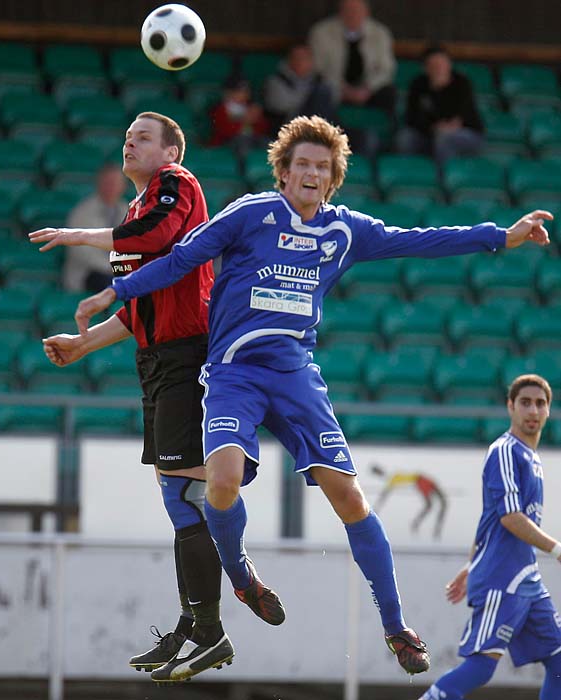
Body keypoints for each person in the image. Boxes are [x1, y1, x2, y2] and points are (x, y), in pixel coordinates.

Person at [69, 115, 550, 676]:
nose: (312, 174)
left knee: (348, 497)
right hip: (233, 372)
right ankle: (241, 577)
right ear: (284, 171)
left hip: (295, 375)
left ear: (333, 175)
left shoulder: (344, 230)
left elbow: (420, 242)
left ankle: (396, 627)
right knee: (220, 482)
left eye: (322, 167)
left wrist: (502, 235)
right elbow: (181, 259)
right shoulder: (250, 214)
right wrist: (116, 290)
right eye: (302, 164)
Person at [28, 111, 254, 684]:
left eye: (143, 136)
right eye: (126, 134)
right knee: (176, 494)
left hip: (188, 353)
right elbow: (139, 307)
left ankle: (209, 631)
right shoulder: (132, 211)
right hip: (156, 360)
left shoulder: (177, 184)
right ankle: (195, 623)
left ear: (171, 149)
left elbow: (156, 239)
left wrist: (77, 235)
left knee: (186, 493)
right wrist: (84, 347)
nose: (130, 140)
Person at [418, 374, 561, 700]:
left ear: (549, 410)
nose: (533, 410)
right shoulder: (505, 451)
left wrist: (470, 566)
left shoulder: (531, 458)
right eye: (525, 402)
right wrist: (556, 549)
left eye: (540, 403)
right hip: (504, 578)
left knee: (559, 660)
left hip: (525, 577)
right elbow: (510, 518)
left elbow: (490, 522)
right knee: (482, 666)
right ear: (510, 406)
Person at [396, 44, 485, 164]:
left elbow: (462, 116)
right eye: (434, 65)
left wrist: (446, 126)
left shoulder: (462, 83)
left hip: (466, 132)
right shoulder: (418, 84)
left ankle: (442, 177)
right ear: (426, 68)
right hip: (429, 132)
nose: (439, 69)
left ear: (449, 64)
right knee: (404, 138)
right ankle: (407, 173)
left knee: (444, 138)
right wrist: (432, 127)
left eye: (442, 64)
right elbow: (411, 117)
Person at [308, 0, 396, 115]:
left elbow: (386, 69)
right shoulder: (321, 32)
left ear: (366, 12)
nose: (352, 14)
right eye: (348, 10)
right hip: (334, 88)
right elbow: (318, 69)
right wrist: (343, 89)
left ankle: (382, 130)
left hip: (368, 91)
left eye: (357, 10)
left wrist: (367, 89)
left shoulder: (380, 33)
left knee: (390, 93)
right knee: (320, 91)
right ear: (340, 12)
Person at [63, 162, 128, 293]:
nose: (111, 187)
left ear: (123, 186)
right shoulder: (82, 212)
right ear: (99, 183)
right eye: (108, 182)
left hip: (120, 271)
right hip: (88, 273)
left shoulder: (128, 210)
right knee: (112, 285)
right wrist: (113, 267)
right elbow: (82, 251)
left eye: (116, 183)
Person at [264, 43, 336, 134]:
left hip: (322, 127)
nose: (300, 61)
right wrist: (311, 96)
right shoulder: (276, 81)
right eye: (297, 57)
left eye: (305, 58)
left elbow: (332, 102)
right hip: (290, 129)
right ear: (289, 60)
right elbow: (283, 106)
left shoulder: (320, 80)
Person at [371, 464, 447, 539]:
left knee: (435, 504)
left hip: (421, 479)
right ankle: (423, 526)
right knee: (434, 504)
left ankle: (420, 525)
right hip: (420, 480)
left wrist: (376, 508)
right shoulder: (392, 479)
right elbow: (384, 494)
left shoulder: (393, 477)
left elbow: (384, 494)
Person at [209, 76, 270, 157]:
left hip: (251, 139)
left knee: (268, 143)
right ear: (229, 92)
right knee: (242, 144)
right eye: (239, 91)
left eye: (246, 91)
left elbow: (263, 129)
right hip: (228, 142)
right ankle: (242, 168)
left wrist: (257, 119)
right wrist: (244, 121)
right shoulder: (221, 109)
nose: (244, 94)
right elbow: (223, 131)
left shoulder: (250, 107)